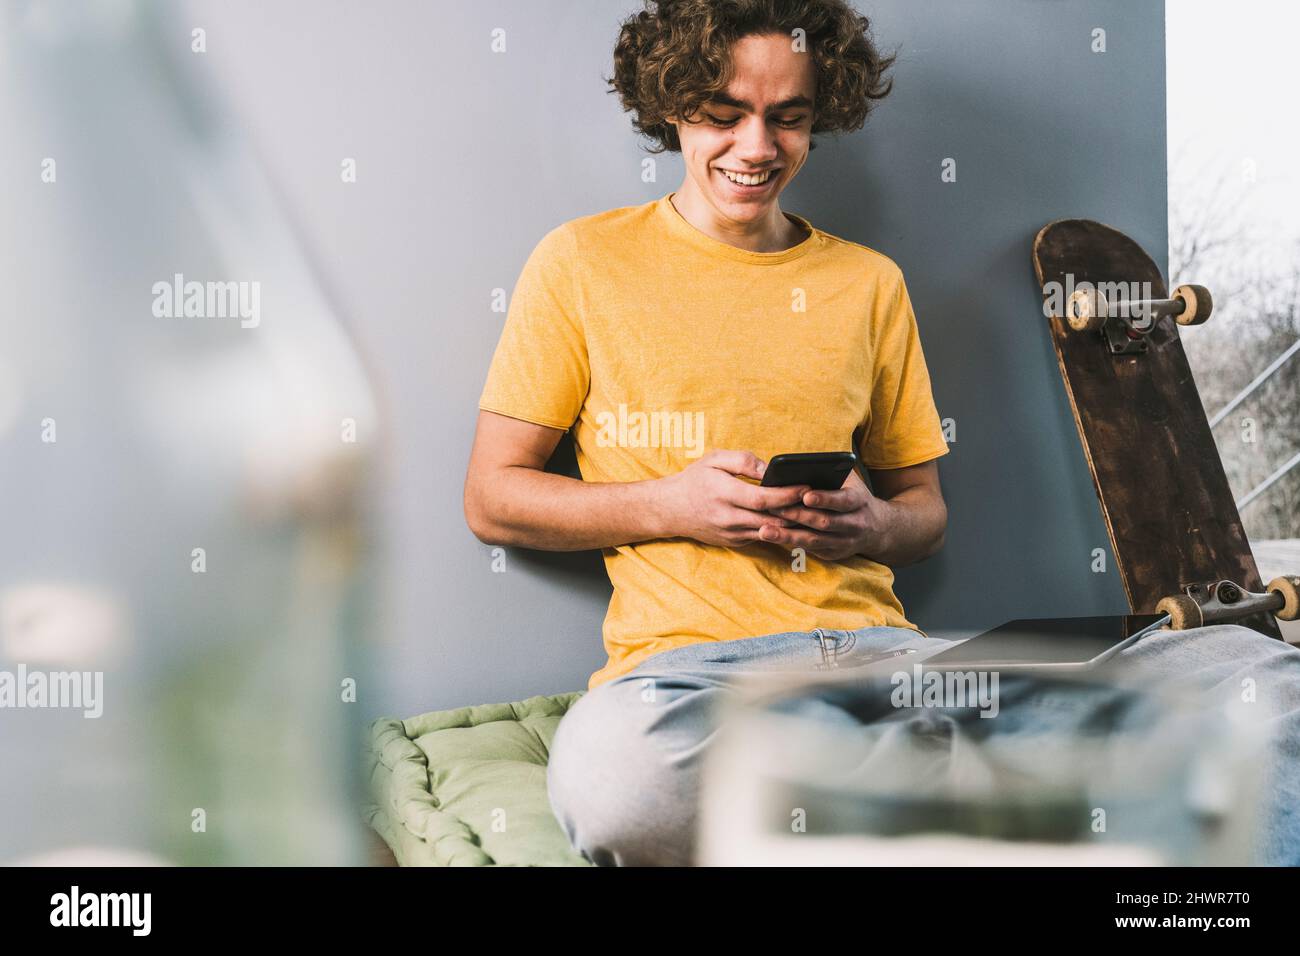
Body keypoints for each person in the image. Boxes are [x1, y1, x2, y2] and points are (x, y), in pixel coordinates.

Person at [463, 0, 1300, 866]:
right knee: (623, 781)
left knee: (1259, 681)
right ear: (671, 103)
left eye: (787, 119)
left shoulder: (868, 283)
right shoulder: (582, 263)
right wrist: (675, 505)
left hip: (899, 667)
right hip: (694, 681)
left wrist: (872, 524)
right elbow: (493, 497)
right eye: (723, 115)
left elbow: (924, 516)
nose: (756, 148)